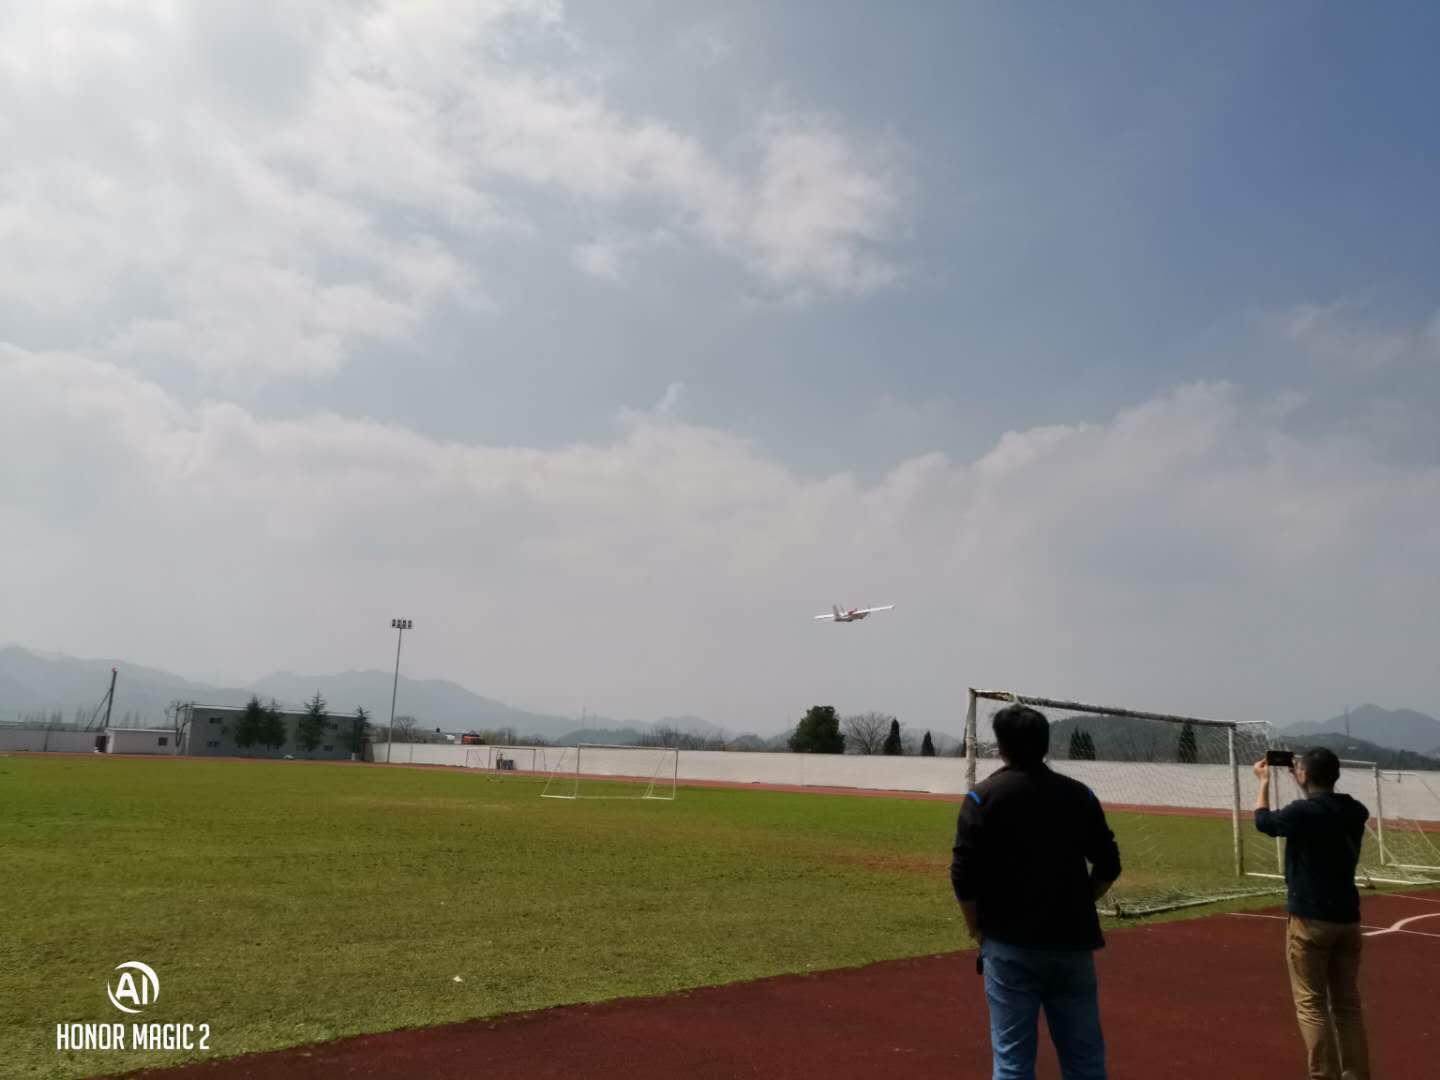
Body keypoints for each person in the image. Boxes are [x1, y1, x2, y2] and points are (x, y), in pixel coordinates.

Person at [950, 704, 1122, 1080]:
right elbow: (1109, 863)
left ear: (1001, 746)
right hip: (1073, 943)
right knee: (1085, 1062)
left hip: (1008, 942)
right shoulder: (1080, 795)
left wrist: (975, 928)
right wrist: (1083, 899)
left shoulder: (982, 797)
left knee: (1012, 1063)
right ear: (1045, 745)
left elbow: (963, 875)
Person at [1253, 748, 1371, 1080]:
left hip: (1310, 919)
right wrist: (1303, 776)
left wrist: (1263, 782)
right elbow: (1322, 805)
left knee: (1311, 1005)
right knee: (1347, 1006)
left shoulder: (1301, 813)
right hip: (1347, 918)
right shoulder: (1355, 810)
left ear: (1304, 775)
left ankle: (1324, 1075)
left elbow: (1263, 821)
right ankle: (1357, 1074)